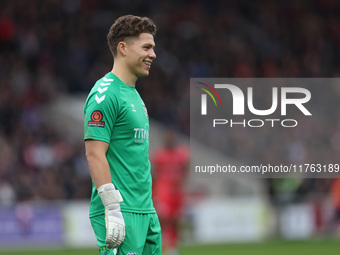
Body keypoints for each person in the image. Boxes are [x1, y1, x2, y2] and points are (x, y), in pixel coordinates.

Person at [83, 15, 161, 255]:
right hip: (120, 211)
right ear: (123, 48)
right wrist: (112, 208)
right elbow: (94, 154)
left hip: (145, 209)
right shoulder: (105, 94)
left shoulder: (134, 94)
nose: (153, 55)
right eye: (146, 47)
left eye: (153, 48)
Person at [152, 130, 189, 255]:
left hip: (176, 193)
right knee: (163, 219)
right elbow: (154, 173)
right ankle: (163, 245)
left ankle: (173, 247)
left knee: (175, 220)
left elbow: (186, 169)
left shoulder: (182, 155)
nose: (170, 141)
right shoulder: (159, 156)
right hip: (163, 192)